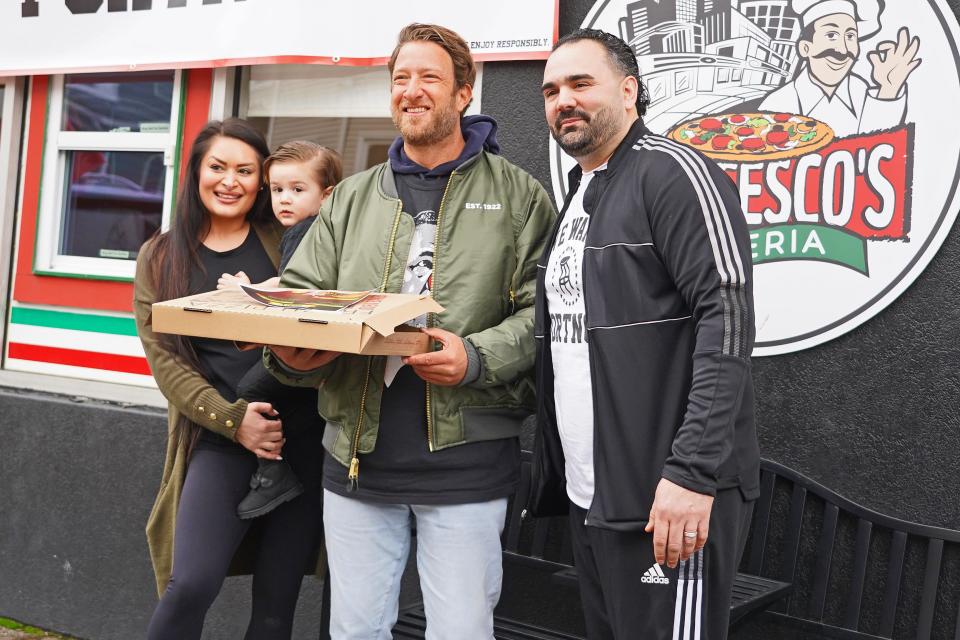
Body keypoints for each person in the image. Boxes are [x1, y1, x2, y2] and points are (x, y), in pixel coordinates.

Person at [264, 23, 556, 640]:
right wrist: (293, 354)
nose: (412, 91)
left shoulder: (521, 196)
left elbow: (547, 315)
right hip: (356, 462)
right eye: (401, 78)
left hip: (468, 465)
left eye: (430, 77)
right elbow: (300, 298)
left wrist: (474, 357)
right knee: (355, 631)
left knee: (461, 632)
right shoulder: (349, 199)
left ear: (463, 93)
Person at [531, 29, 760, 639]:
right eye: (551, 90)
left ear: (629, 90)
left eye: (582, 83)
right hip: (595, 495)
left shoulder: (673, 173)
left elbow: (728, 317)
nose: (563, 101)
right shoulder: (582, 195)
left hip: (668, 497)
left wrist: (691, 474)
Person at [133, 119, 325, 640]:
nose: (230, 181)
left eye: (245, 170)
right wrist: (235, 420)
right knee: (190, 583)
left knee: (275, 607)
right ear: (196, 171)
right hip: (222, 439)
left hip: (302, 441)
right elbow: (167, 365)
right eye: (217, 167)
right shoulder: (161, 256)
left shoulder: (284, 240)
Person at [217, 141, 342, 519]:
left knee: (249, 389)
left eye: (297, 190)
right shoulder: (318, 230)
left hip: (309, 344)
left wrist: (247, 292)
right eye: (277, 190)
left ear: (327, 194)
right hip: (321, 344)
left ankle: (273, 471)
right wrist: (256, 285)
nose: (284, 199)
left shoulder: (305, 232)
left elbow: (297, 289)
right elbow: (292, 279)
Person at [758, 0, 921, 137]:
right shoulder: (776, 106)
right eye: (831, 35)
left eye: (850, 36)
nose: (843, 50)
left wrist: (889, 89)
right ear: (805, 48)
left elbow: (880, 146)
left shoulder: (862, 91)